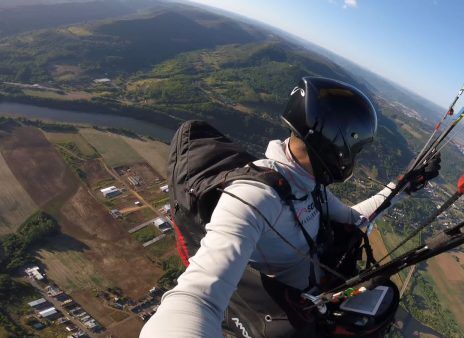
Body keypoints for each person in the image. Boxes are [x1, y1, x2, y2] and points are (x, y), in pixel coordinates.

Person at [141, 77, 441, 337]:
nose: (354, 158)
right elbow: (198, 294)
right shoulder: (254, 196)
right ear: (335, 145)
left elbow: (355, 218)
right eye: (355, 150)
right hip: (287, 308)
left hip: (317, 291)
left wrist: (403, 186)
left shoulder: (306, 184)